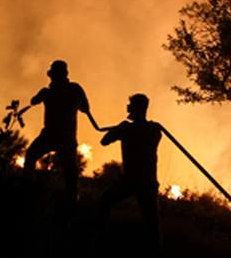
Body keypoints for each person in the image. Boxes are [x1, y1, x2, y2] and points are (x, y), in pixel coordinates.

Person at [98, 93, 170, 246]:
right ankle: (155, 254)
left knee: (105, 201)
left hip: (131, 181)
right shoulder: (154, 130)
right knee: (152, 220)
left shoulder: (127, 129)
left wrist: (119, 128)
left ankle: (100, 240)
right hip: (147, 181)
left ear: (134, 109)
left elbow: (104, 141)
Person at [24, 60, 100, 203]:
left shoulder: (58, 91)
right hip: (63, 136)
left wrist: (44, 95)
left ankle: (29, 191)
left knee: (35, 157)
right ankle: (71, 199)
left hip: (56, 135)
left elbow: (34, 101)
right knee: (69, 170)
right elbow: (85, 108)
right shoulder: (71, 89)